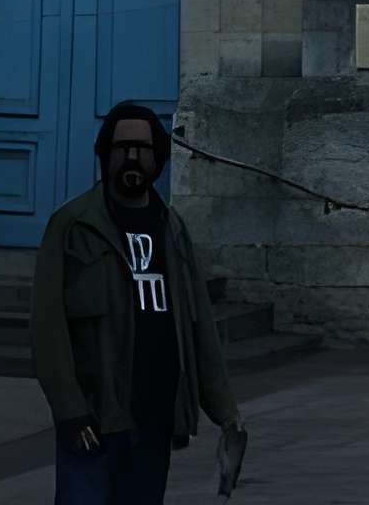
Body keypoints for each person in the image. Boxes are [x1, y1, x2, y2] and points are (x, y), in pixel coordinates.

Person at [30, 99, 245, 502]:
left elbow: (199, 330)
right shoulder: (73, 226)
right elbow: (47, 330)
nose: (132, 158)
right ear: (105, 155)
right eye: (121, 147)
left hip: (154, 418)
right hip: (95, 418)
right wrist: (69, 409)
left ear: (158, 158)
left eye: (143, 149)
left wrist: (225, 411)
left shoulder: (173, 230)